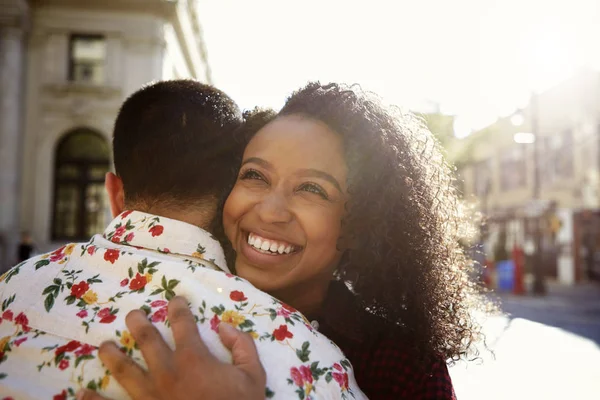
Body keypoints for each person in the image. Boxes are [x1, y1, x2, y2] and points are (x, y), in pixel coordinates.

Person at [83, 82, 490, 400]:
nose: (271, 211)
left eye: (312, 189)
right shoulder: (156, 303)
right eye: (255, 176)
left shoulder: (404, 367)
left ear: (361, 223)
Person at [0, 80, 365, 399]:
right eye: (256, 176)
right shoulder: (307, 359)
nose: (270, 212)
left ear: (114, 193)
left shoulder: (11, 287)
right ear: (229, 195)